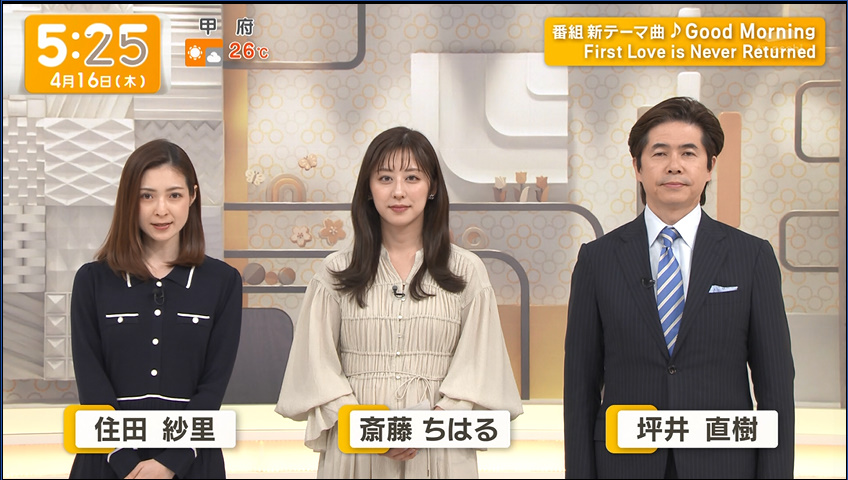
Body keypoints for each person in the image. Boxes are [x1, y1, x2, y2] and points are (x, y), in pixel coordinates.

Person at [563, 97, 795, 479]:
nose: (674, 165)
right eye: (660, 153)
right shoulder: (597, 259)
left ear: (710, 166)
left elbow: (776, 387)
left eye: (688, 153)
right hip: (625, 463)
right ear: (637, 167)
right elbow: (579, 388)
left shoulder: (752, 257)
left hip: (723, 463)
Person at [275, 126, 523, 478]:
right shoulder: (335, 271)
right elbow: (316, 367)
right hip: (357, 444)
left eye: (412, 177)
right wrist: (369, 427)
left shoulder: (467, 271)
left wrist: (430, 426)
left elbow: (480, 366)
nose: (398, 191)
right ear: (368, 188)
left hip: (439, 445)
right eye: (385, 178)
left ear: (432, 187)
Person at [70, 139, 243, 479]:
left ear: (192, 196)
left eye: (174, 195)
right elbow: (92, 385)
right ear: (129, 201)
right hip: (107, 461)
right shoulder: (92, 280)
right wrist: (125, 462)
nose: (161, 210)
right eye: (146, 196)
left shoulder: (223, 282)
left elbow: (213, 386)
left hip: (192, 462)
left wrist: (169, 463)